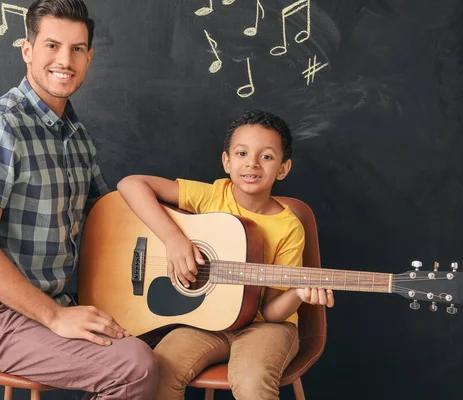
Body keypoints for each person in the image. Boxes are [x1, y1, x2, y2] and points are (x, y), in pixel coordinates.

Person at [0, 1, 157, 398]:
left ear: (89, 57)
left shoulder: (74, 131)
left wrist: (187, 233)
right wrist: (55, 316)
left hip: (50, 303)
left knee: (162, 337)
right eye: (52, 46)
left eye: (77, 49)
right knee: (135, 366)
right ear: (28, 50)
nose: (65, 60)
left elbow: (108, 219)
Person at [117, 110, 335, 399]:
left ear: (283, 168)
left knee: (252, 380)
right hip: (207, 323)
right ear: (226, 161)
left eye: (267, 156)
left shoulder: (289, 227)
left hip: (264, 328)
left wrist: (298, 293)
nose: (252, 164)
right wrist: (174, 240)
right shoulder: (212, 196)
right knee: (157, 370)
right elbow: (130, 184)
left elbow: (270, 312)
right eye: (242, 153)